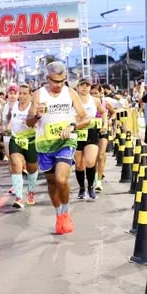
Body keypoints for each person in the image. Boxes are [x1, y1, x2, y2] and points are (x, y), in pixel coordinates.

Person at [27, 62, 90, 235]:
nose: (59, 85)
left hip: (66, 142)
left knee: (61, 179)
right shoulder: (39, 94)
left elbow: (86, 119)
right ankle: (58, 215)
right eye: (55, 81)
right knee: (52, 183)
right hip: (45, 145)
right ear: (47, 79)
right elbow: (29, 122)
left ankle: (66, 213)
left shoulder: (70, 93)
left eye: (62, 81)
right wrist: (37, 116)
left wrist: (72, 126)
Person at [5, 82, 38, 209]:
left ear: (31, 95)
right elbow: (9, 118)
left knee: (32, 169)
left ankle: (30, 191)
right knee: (15, 165)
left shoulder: (33, 107)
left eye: (25, 93)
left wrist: (32, 123)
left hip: (31, 141)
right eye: (21, 93)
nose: (22, 96)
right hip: (16, 140)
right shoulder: (12, 106)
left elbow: (39, 122)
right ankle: (19, 197)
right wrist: (7, 127)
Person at [74, 79, 101, 201]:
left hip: (91, 132)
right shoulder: (72, 101)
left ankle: (91, 187)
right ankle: (81, 188)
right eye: (82, 85)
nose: (84, 88)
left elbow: (104, 112)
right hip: (77, 132)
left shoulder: (95, 100)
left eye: (87, 85)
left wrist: (105, 124)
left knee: (90, 161)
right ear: (77, 87)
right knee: (79, 164)